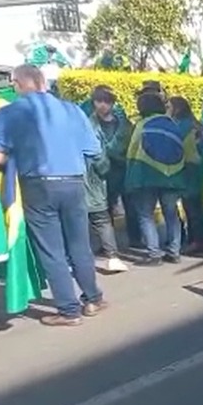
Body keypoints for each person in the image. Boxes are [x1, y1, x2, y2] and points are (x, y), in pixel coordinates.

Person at [0, 64, 106, 326]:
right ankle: (93, 298)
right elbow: (93, 150)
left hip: (37, 185)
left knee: (52, 249)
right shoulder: (72, 110)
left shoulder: (7, 114)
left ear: (17, 84)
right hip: (74, 182)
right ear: (43, 82)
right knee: (79, 244)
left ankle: (68, 310)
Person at [121, 93, 190, 266]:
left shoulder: (142, 125)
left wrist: (130, 177)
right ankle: (174, 251)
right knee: (171, 213)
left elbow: (133, 151)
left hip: (147, 175)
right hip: (172, 176)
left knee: (145, 214)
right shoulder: (172, 124)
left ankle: (154, 253)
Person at [86, 86, 131, 272]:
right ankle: (107, 247)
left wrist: (113, 153)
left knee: (126, 205)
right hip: (99, 172)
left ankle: (133, 240)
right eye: (99, 101)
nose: (103, 105)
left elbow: (128, 143)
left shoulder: (123, 123)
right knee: (103, 210)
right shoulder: (89, 123)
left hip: (121, 168)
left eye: (107, 101)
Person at [168, 96, 203, 256]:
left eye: (169, 106)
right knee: (200, 205)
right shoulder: (197, 124)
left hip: (188, 167)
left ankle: (198, 240)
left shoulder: (180, 126)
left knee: (191, 206)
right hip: (201, 167)